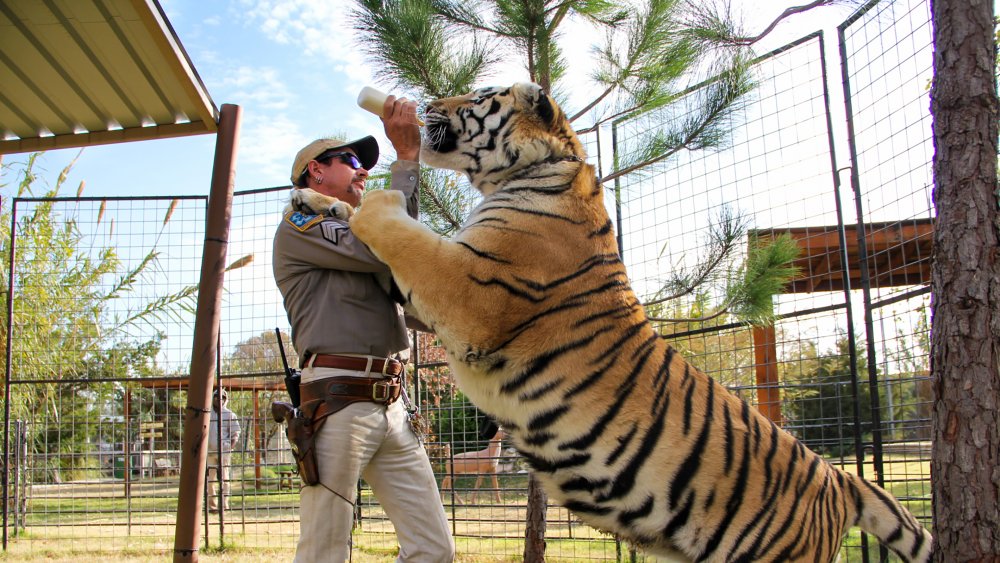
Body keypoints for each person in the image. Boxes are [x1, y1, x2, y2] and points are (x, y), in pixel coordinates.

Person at [272, 95, 454, 562]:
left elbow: (406, 261)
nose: (362, 170)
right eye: (350, 160)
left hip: (394, 404)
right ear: (315, 170)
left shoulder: (360, 231)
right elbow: (387, 246)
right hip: (337, 401)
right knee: (324, 551)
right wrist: (407, 160)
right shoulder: (301, 222)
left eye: (364, 163)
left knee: (434, 550)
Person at [207, 388, 241, 513]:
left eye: (222, 397)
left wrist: (230, 446)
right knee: (210, 480)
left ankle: (224, 505)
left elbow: (235, 433)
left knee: (224, 479)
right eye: (216, 396)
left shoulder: (229, 414)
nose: (219, 399)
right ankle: (212, 506)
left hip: (224, 452)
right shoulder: (207, 413)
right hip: (209, 452)